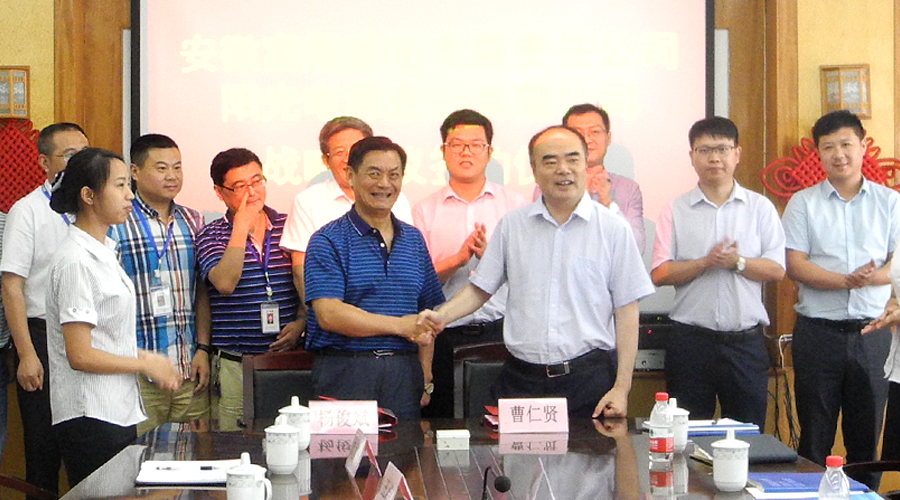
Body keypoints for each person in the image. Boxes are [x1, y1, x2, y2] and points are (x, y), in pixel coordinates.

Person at [420, 126, 655, 418]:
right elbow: (481, 289)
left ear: (586, 164)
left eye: (572, 159)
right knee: (505, 448)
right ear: (534, 170)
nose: (563, 169)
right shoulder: (513, 226)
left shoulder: (614, 230)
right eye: (550, 161)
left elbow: (627, 311)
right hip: (521, 379)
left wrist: (622, 388)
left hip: (588, 379)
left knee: (590, 450)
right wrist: (440, 317)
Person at [45, 148, 181, 485]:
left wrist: (145, 358)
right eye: (119, 185)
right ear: (89, 195)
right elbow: (80, 354)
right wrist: (143, 364)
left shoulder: (105, 250)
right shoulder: (75, 260)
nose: (129, 195)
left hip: (116, 409)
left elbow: (108, 339)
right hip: (89, 414)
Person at [783, 110, 899, 489]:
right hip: (818, 334)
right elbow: (795, 264)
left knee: (866, 441)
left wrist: (871, 279)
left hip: (873, 335)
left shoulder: (890, 202)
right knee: (814, 438)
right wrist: (845, 281)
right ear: (818, 153)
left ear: (863, 146)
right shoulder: (803, 203)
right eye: (828, 147)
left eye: (846, 144)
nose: (839, 154)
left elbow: (897, 263)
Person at [650, 117, 785, 429]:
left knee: (747, 434)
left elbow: (777, 269)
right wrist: (705, 262)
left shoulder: (760, 208)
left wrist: (737, 262)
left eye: (722, 149)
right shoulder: (675, 209)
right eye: (705, 150)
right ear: (692, 156)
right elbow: (659, 273)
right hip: (691, 343)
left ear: (737, 154)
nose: (714, 158)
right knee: (685, 434)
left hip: (744, 344)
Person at [304, 136, 444, 419]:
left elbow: (427, 313)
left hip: (404, 373)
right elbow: (329, 314)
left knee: (404, 446)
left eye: (394, 175)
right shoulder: (327, 240)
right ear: (351, 176)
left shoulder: (414, 240)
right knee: (342, 449)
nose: (384, 184)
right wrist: (400, 326)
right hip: (346, 371)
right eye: (374, 174)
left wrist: (425, 374)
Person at [412, 109, 526, 418]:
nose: (466, 152)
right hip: (444, 334)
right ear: (443, 151)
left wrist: (492, 258)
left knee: (499, 426)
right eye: (457, 144)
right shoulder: (423, 210)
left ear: (490, 151)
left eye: (476, 145)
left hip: (502, 332)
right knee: (442, 425)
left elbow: (529, 277)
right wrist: (458, 260)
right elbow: (417, 282)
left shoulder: (516, 206)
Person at [1, 122, 88, 496]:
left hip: (88, 336)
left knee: (86, 447)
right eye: (69, 155)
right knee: (42, 450)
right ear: (43, 162)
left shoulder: (95, 205)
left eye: (84, 153)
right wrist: (26, 354)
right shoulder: (27, 210)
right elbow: (11, 286)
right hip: (42, 336)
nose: (79, 161)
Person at [195, 148, 302, 430]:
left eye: (257, 181)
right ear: (220, 192)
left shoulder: (289, 225)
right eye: (240, 186)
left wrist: (302, 322)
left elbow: (308, 282)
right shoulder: (210, 235)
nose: (252, 192)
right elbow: (225, 283)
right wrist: (241, 228)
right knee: (236, 443)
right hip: (236, 363)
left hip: (288, 359)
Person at [111, 134, 210, 434]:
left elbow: (201, 291)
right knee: (141, 455)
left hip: (189, 369)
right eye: (162, 168)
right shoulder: (118, 221)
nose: (172, 176)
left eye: (177, 167)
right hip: (138, 372)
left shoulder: (193, 220)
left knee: (195, 454)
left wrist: (203, 348)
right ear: (135, 172)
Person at [281, 117, 414, 310]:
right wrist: (321, 317)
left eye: (355, 149)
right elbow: (301, 271)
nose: (348, 158)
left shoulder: (397, 199)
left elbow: (409, 267)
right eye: (339, 152)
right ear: (326, 161)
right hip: (335, 319)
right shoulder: (308, 201)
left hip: (397, 316)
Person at [532, 104, 645, 252]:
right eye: (578, 133)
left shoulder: (628, 189)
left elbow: (637, 247)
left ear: (608, 138)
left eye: (595, 132)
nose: (587, 139)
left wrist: (608, 203)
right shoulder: (547, 185)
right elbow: (541, 240)